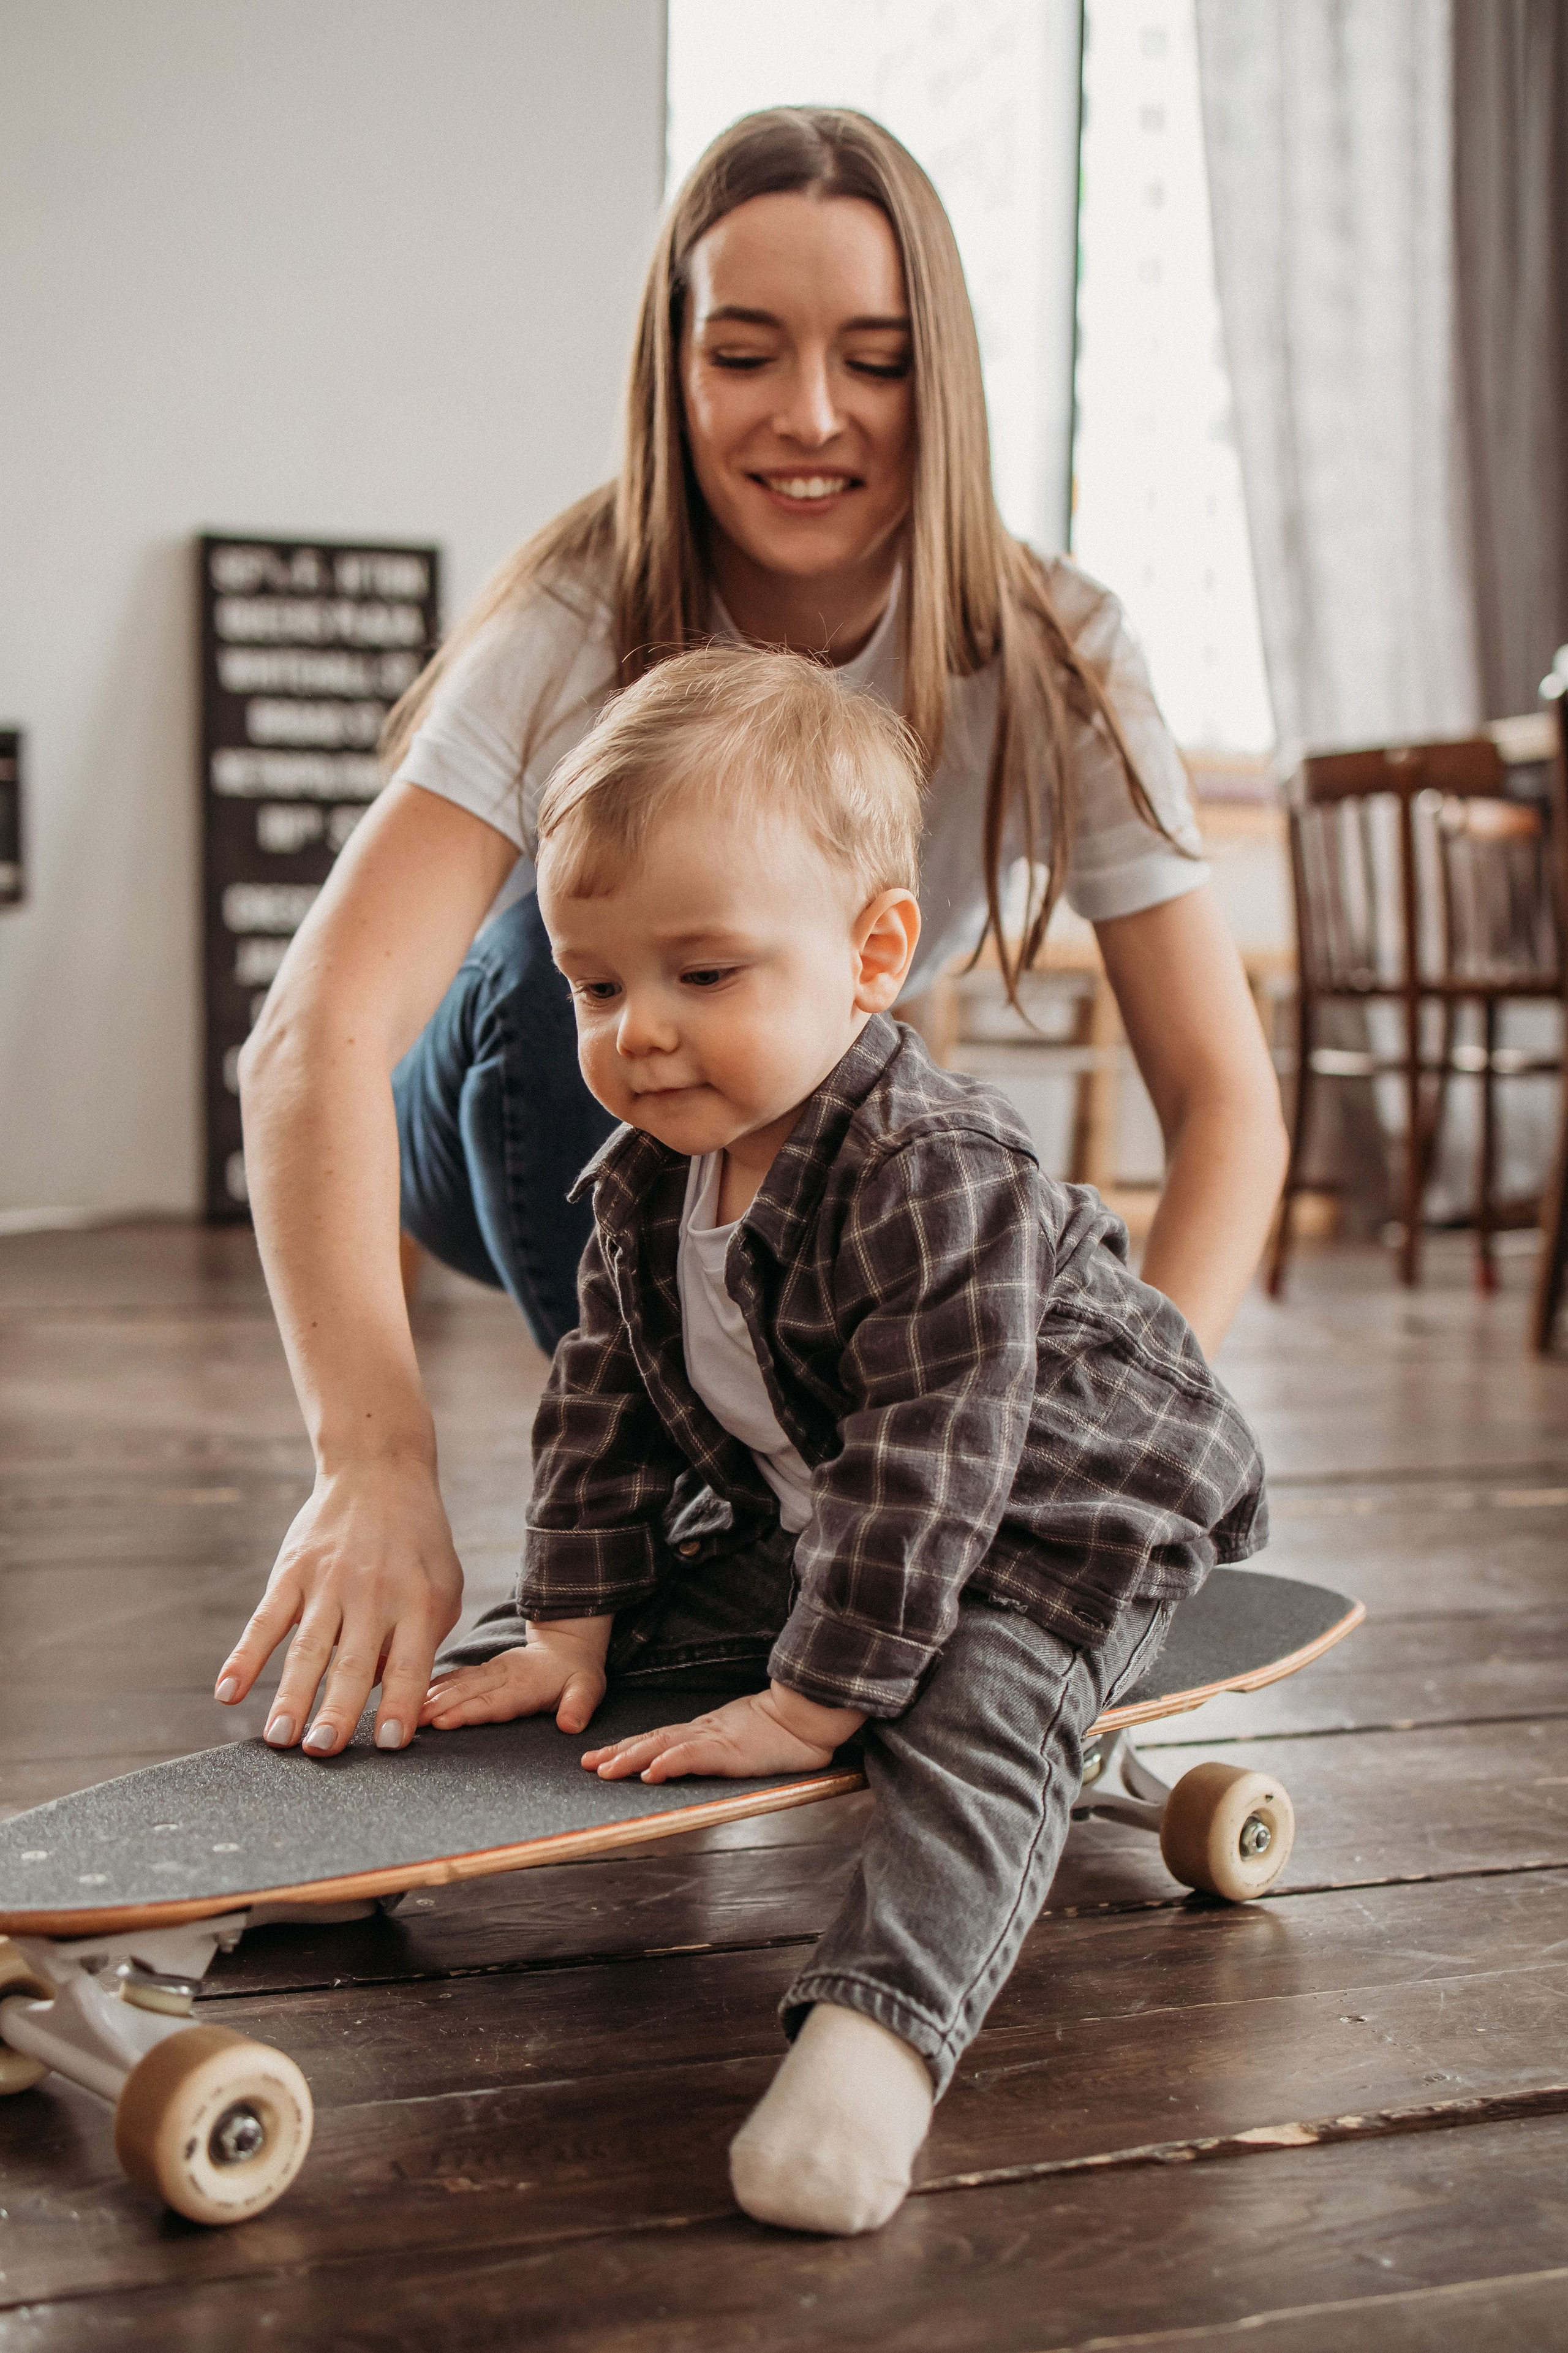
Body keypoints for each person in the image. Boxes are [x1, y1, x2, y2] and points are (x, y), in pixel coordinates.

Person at [218, 106, 1286, 1762]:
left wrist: (1096, 1449)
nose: (811, 416)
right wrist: (375, 1461)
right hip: (499, 1101)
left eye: (875, 358)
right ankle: (664, 1524)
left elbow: (1225, 1100)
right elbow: (315, 1033)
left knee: (872, 1126)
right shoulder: (586, 599)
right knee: (572, 985)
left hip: (809, 1124)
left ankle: (782, 1512)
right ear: (675, 370)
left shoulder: (1058, 647)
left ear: (948, 380)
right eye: (746, 353)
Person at [415, 645, 1267, 2235]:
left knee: (973, 1695)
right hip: (843, 1507)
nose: (638, 1034)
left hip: (1059, 1499)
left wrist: (812, 1703)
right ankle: (351, 1836)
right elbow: (597, 1403)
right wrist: (571, 1617)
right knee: (595, 1623)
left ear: (872, 953)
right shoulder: (641, 1182)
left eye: (706, 974)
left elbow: (936, 1462)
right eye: (598, 986)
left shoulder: (932, 1167)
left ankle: (877, 2039)